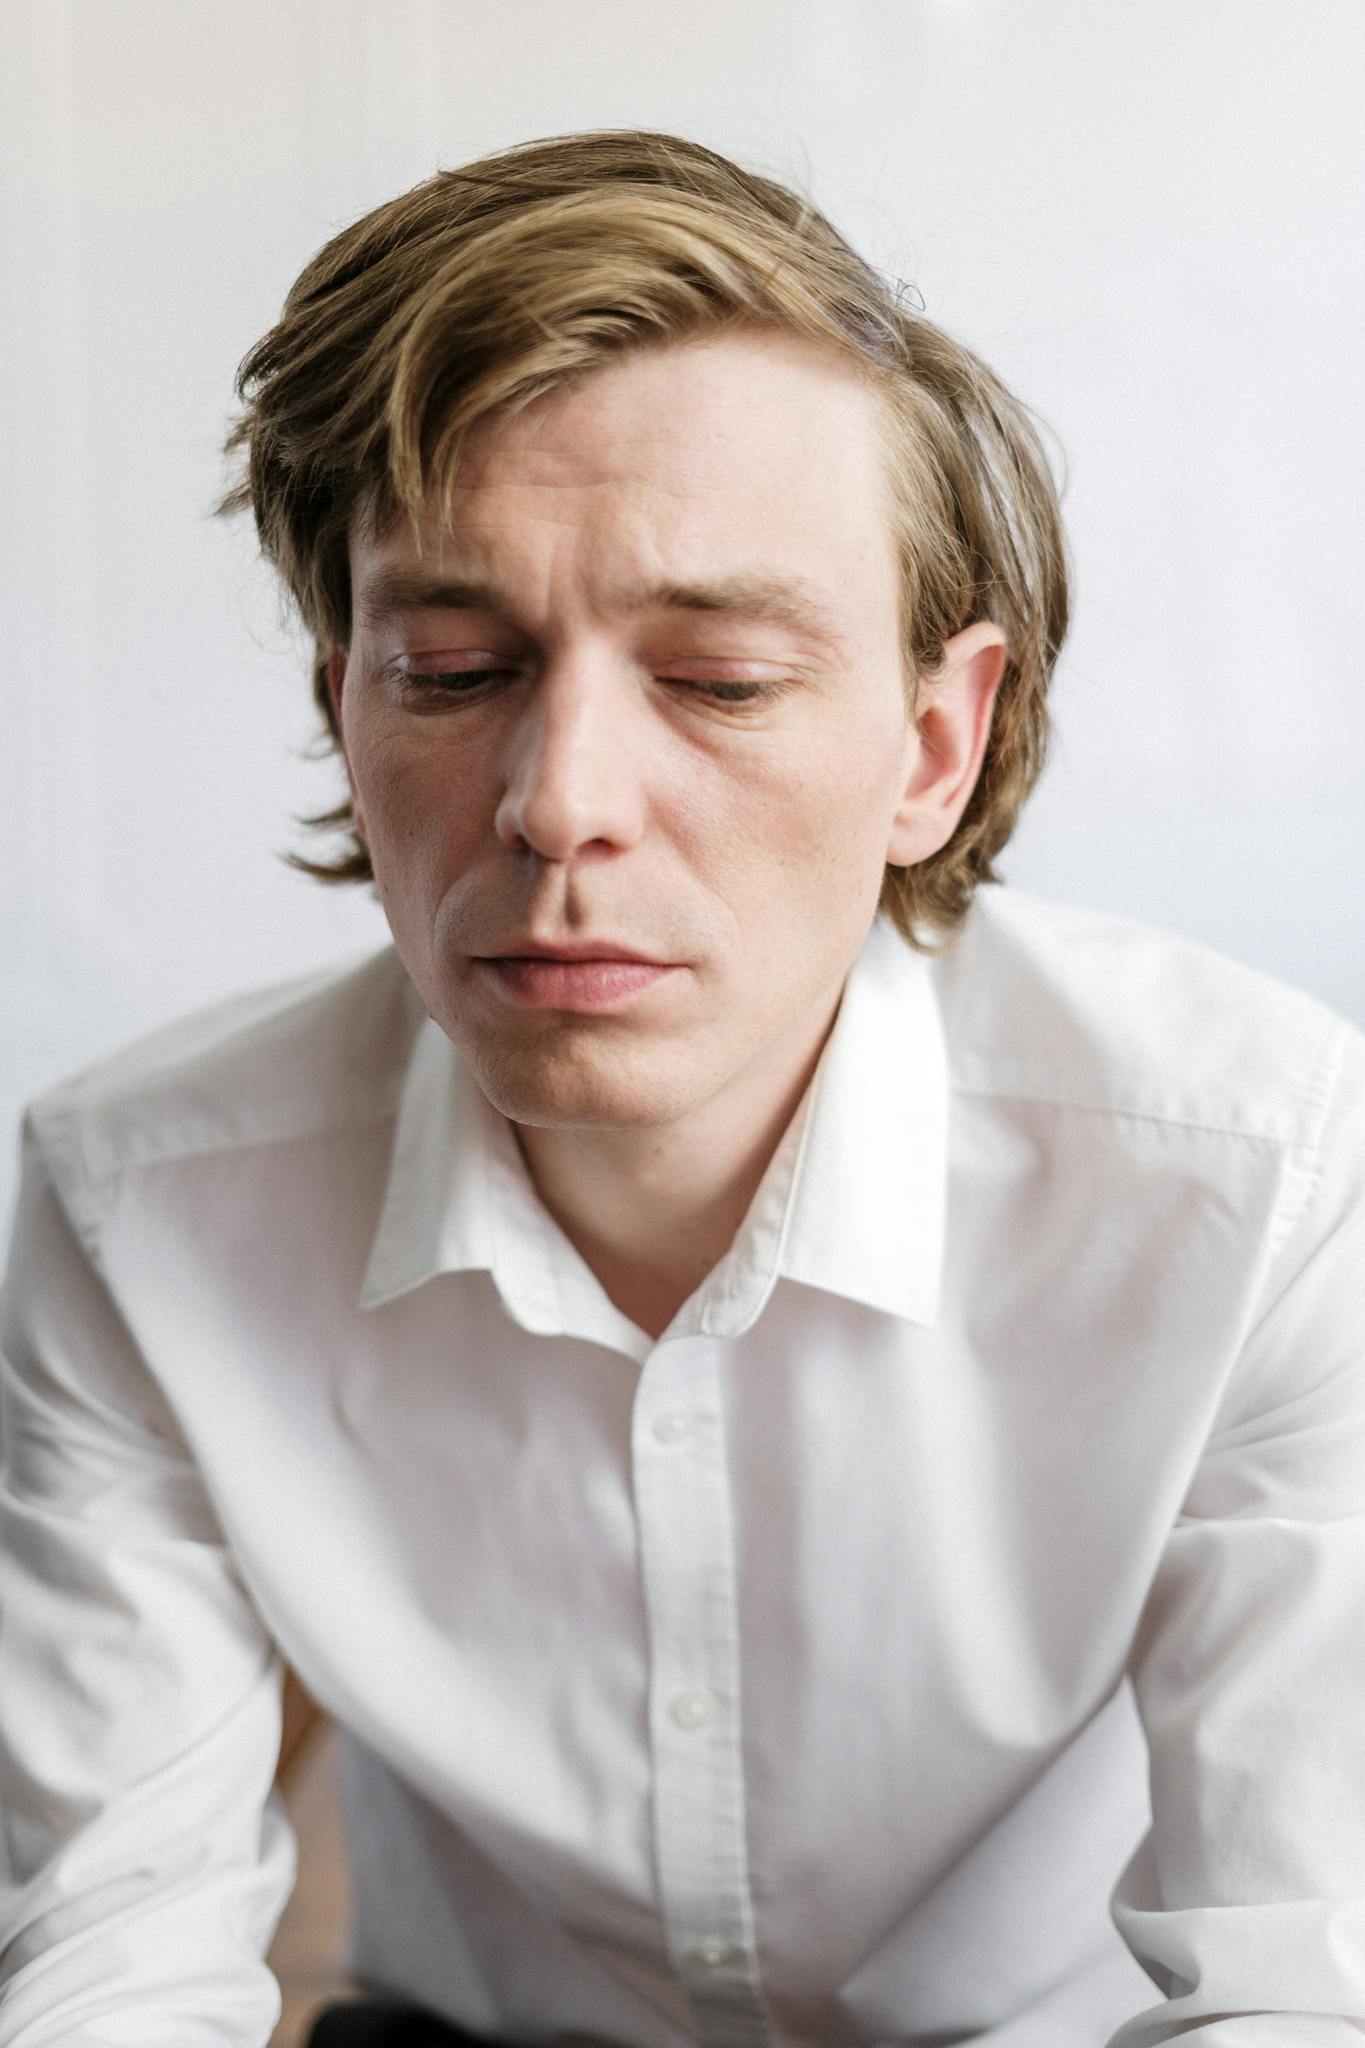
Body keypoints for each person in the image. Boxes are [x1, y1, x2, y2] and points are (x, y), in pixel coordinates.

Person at [0, 128, 1361, 2048]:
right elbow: (107, 1966)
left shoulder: (1266, 1178)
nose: (560, 801)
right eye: (453, 666)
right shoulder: (138, 1200)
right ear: (341, 706)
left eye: (717, 680)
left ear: (930, 743)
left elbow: (1300, 1986)